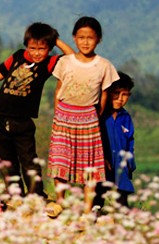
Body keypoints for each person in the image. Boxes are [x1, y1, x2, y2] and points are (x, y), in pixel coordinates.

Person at [0, 22, 74, 198]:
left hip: (22, 120)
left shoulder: (49, 63)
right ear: (26, 46)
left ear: (49, 48)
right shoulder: (18, 56)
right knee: (4, 159)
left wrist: (55, 39)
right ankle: (14, 194)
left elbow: (72, 58)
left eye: (42, 48)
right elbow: (1, 73)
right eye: (32, 47)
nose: (36, 52)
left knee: (28, 159)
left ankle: (36, 195)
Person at [46, 16, 120, 217]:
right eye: (81, 37)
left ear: (99, 39)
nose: (85, 41)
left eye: (90, 37)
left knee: (90, 165)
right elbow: (59, 88)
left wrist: (96, 114)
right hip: (64, 115)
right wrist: (57, 113)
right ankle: (60, 201)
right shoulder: (65, 62)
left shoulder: (104, 65)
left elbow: (104, 93)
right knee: (61, 160)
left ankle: (88, 210)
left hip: (88, 117)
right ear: (74, 38)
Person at [94, 71, 136, 209]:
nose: (120, 99)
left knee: (122, 200)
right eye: (116, 93)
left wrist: (130, 163)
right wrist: (103, 157)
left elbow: (130, 141)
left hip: (120, 165)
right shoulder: (99, 114)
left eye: (125, 95)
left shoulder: (125, 117)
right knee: (97, 197)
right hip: (101, 165)